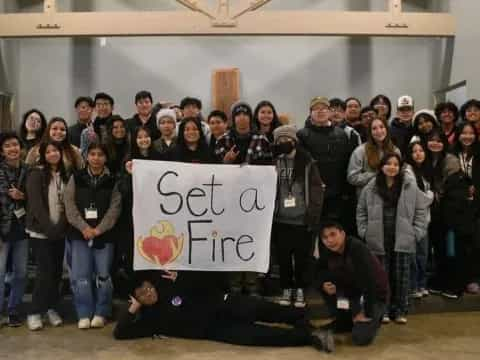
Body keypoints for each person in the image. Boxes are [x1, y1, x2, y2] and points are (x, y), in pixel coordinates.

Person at [113, 270, 335, 353]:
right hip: (214, 329)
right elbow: (120, 333)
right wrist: (132, 308)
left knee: (262, 308)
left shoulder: (170, 282)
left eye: (147, 287)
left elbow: (211, 281)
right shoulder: (151, 320)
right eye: (141, 294)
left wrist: (184, 276)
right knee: (258, 336)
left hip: (223, 303)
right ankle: (309, 335)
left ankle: (302, 316)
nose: (148, 292)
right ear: (138, 300)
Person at [357, 153, 427, 324]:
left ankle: (401, 309)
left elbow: (421, 211)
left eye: (396, 164)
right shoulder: (371, 187)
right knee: (382, 277)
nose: (392, 167)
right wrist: (364, 232)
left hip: (403, 238)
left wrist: (416, 232)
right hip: (378, 238)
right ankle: (384, 310)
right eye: (388, 163)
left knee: (402, 276)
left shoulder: (409, 186)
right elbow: (361, 211)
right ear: (381, 166)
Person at [64, 143, 122, 329]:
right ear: (87, 157)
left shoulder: (113, 180)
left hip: (104, 236)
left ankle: (101, 312)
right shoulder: (76, 177)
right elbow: (69, 205)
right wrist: (84, 228)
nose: (96, 158)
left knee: (103, 276)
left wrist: (98, 230)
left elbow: (115, 208)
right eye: (93, 154)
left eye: (100, 155)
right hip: (79, 234)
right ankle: (83, 313)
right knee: (81, 276)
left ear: (105, 158)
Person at [272, 125, 325, 308]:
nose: (283, 143)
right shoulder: (273, 162)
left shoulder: (307, 162)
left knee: (303, 259)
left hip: (302, 221)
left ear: (294, 141)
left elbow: (317, 190)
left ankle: (301, 289)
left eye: (286, 139)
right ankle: (286, 288)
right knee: (284, 258)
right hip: (280, 221)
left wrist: (313, 216)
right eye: (279, 140)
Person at [317, 221, 389, 346]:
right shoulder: (327, 252)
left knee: (360, 338)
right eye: (325, 237)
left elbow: (370, 283)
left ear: (343, 234)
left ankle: (374, 316)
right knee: (326, 284)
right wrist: (323, 284)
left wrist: (366, 312)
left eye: (333, 234)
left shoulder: (357, 248)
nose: (329, 240)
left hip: (374, 297)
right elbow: (315, 273)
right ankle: (344, 319)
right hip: (352, 294)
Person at [25, 141, 69, 331]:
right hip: (40, 232)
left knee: (57, 273)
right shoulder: (36, 174)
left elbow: (69, 202)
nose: (53, 154)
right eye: (49, 151)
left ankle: (51, 308)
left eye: (56, 150)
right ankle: (34, 312)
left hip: (59, 232)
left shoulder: (66, 174)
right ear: (43, 154)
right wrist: (49, 228)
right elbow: (35, 205)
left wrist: (60, 227)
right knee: (44, 273)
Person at [424, 128, 471, 299]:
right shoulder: (426, 159)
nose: (435, 143)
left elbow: (454, 190)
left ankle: (455, 286)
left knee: (452, 250)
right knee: (439, 249)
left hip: (451, 214)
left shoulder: (450, 161)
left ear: (444, 143)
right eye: (431, 140)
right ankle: (440, 282)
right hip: (434, 214)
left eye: (439, 140)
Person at [297, 97, 350, 222]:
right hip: (312, 194)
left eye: (324, 108)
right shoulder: (302, 135)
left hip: (336, 194)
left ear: (330, 112)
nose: (320, 111)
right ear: (310, 112)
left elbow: (345, 163)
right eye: (316, 108)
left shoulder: (341, 135)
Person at [0, 132, 29, 327]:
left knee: (21, 272)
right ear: (2, 151)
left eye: (15, 145)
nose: (13, 149)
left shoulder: (28, 170)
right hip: (1, 230)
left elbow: (35, 197)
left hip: (22, 229)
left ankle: (13, 309)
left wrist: (23, 196)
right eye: (8, 145)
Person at [451, 122, 480, 294]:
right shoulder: (453, 153)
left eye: (471, 133)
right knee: (459, 244)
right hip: (458, 206)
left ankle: (475, 278)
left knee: (477, 243)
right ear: (458, 135)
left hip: (477, 205)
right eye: (464, 133)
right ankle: (462, 278)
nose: (467, 136)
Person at [404, 141, 434, 298]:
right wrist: (430, 196)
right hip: (412, 221)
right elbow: (419, 197)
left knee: (423, 254)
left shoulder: (426, 171)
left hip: (425, 220)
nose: (418, 153)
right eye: (414, 151)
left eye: (421, 150)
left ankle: (422, 284)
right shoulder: (408, 171)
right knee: (412, 256)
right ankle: (412, 286)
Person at [347, 117, 400, 197]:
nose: (379, 131)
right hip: (368, 199)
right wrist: (377, 175)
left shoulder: (395, 150)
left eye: (382, 127)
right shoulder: (360, 151)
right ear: (370, 132)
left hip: (391, 198)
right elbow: (352, 177)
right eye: (374, 128)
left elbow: (399, 175)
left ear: (387, 129)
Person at [215, 101, 272, 166]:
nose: (242, 117)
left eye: (245, 114)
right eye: (238, 115)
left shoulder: (262, 139)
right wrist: (225, 162)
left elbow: (269, 166)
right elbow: (213, 167)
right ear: (233, 119)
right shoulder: (222, 140)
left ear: (250, 118)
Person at [80, 92, 115, 157]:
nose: (102, 108)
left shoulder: (119, 128)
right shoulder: (87, 132)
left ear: (112, 107)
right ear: (95, 108)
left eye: (105, 104)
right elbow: (84, 155)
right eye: (98, 105)